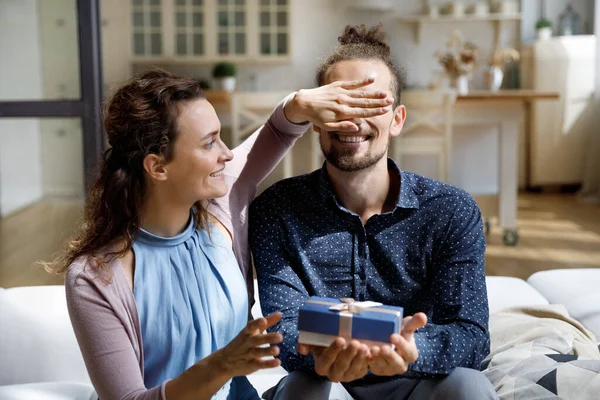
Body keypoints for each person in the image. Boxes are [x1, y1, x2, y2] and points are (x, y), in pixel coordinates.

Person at [44, 68, 394, 399]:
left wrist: (301, 104)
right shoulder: (95, 278)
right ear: (158, 166)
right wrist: (222, 364)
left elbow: (278, 131)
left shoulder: (221, 209)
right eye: (209, 143)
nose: (227, 154)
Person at [249, 25, 497, 400]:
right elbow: (282, 328)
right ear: (315, 119)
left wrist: (410, 351)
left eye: (371, 105)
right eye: (340, 105)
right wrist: (328, 354)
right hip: (324, 381)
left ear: (397, 119)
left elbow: (471, 334)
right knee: (303, 393)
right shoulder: (276, 210)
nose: (352, 121)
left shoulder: (451, 211)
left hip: (420, 379)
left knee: (470, 387)